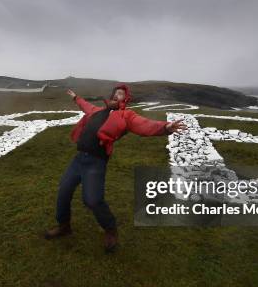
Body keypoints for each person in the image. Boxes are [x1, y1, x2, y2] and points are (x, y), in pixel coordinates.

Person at [44, 83, 187, 253]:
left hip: (95, 163)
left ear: (125, 98)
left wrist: (165, 127)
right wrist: (76, 98)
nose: (116, 95)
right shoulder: (96, 111)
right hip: (78, 159)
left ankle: (110, 229)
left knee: (92, 200)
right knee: (64, 191)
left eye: (120, 94)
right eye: (115, 93)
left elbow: (145, 125)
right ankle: (64, 226)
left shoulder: (126, 115)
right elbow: (85, 106)